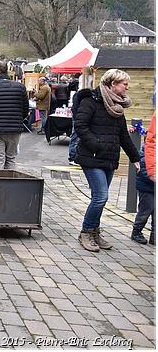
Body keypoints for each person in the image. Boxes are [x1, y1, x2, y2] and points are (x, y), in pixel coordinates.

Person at [74, 69, 141, 252]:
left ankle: (95, 232)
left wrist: (135, 157)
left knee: (100, 198)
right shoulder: (90, 101)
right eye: (124, 84)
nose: (127, 87)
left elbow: (123, 135)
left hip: (109, 159)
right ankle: (86, 232)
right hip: (92, 157)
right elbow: (80, 125)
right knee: (101, 197)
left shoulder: (116, 106)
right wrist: (96, 145)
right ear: (113, 84)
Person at [132, 112, 155, 245]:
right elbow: (144, 170)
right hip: (147, 188)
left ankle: (154, 235)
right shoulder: (146, 154)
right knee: (145, 211)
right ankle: (137, 231)